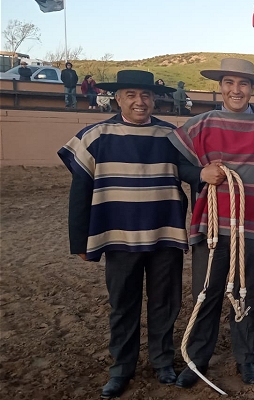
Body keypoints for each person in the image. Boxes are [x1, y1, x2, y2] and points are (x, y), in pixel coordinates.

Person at [57, 70, 187, 399]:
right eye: (130, 94)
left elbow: (195, 175)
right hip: (119, 237)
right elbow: (80, 193)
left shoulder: (171, 136)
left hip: (164, 234)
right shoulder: (96, 136)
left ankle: (162, 361)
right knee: (123, 304)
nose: (139, 101)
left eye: (145, 95)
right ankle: (121, 367)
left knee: (165, 302)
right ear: (117, 98)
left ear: (155, 98)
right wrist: (80, 242)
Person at [168, 58, 254, 389]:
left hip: (251, 226)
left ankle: (246, 357)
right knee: (206, 292)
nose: (236, 90)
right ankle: (197, 358)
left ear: (253, 88)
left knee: (246, 292)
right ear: (220, 86)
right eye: (229, 83)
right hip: (211, 224)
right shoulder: (201, 124)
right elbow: (177, 164)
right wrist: (200, 174)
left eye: (243, 84)